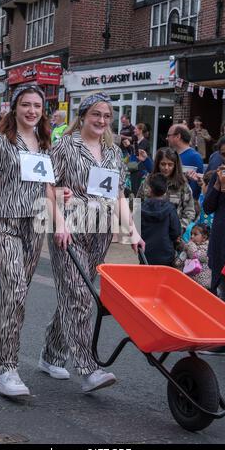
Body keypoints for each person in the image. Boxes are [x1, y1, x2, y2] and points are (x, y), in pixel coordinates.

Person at [39, 92, 145, 393]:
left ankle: (51, 355)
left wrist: (132, 231)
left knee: (76, 294)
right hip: (68, 230)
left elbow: (118, 195)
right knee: (80, 297)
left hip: (100, 231)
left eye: (106, 116)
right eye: (96, 114)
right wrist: (59, 221)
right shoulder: (65, 147)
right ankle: (88, 368)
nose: (101, 120)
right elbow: (48, 188)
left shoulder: (112, 152)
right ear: (83, 115)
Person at [0, 84, 53, 397]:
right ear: (14, 108)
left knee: (15, 297)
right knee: (15, 293)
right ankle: (8, 368)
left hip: (34, 228)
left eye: (36, 105)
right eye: (25, 105)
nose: (31, 111)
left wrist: (59, 220)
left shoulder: (45, 142)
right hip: (5, 226)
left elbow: (48, 189)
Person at [203, 134, 225, 309]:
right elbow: (207, 208)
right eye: (224, 154)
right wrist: (216, 186)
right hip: (222, 239)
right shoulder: (219, 174)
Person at [138, 147, 195, 232]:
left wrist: (179, 229)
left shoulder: (182, 185)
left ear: (175, 166)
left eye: (170, 164)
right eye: (163, 164)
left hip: (172, 234)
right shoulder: (148, 181)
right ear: (157, 164)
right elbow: (136, 204)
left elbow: (189, 211)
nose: (166, 168)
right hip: (148, 232)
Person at [141, 173, 181, 265]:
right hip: (166, 252)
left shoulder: (140, 208)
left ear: (150, 189)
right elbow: (176, 231)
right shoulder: (170, 208)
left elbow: (134, 230)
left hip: (145, 252)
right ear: (166, 189)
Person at [166, 125, 204, 200]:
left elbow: (196, 187)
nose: (166, 138)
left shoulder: (194, 157)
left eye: (168, 135)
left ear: (178, 136)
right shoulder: (171, 155)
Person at [184, 224, 211, 290]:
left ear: (204, 237)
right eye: (191, 234)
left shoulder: (207, 248)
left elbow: (195, 255)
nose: (192, 236)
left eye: (195, 234)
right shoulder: (191, 246)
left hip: (201, 284)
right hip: (190, 281)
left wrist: (190, 244)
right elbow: (181, 259)